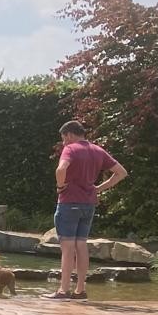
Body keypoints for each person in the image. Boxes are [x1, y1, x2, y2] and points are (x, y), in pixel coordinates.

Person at [49, 120, 128, 300]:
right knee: (81, 245)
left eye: (64, 138)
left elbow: (61, 169)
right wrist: (98, 189)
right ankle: (80, 290)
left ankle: (63, 290)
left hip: (69, 202)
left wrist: (60, 186)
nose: (63, 143)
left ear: (70, 134)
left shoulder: (70, 149)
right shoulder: (98, 150)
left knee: (67, 247)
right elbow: (121, 172)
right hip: (89, 204)